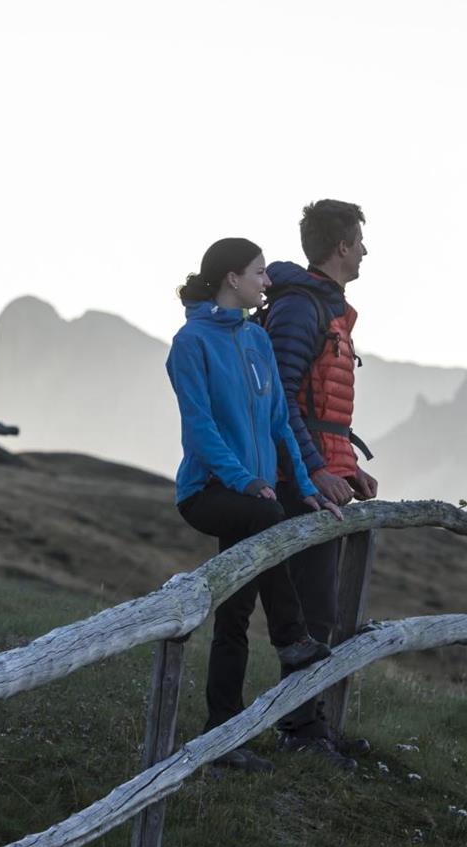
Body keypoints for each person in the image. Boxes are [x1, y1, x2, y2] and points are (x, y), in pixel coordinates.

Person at [167, 237, 345, 772]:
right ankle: (291, 637)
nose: (266, 283)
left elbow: (279, 423)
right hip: (209, 492)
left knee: (235, 615)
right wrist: (245, 481)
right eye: (259, 273)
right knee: (268, 519)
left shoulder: (255, 339)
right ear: (231, 279)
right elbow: (199, 428)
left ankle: (220, 740)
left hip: (256, 493)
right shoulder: (190, 342)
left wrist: (308, 485)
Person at [260, 199, 378, 762]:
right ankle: (300, 730)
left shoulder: (326, 308)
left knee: (320, 609)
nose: (364, 251)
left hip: (321, 472)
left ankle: (311, 724)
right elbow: (281, 398)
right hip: (295, 479)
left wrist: (347, 465)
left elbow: (320, 403)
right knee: (312, 610)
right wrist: (312, 469)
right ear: (340, 246)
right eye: (359, 241)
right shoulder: (301, 309)